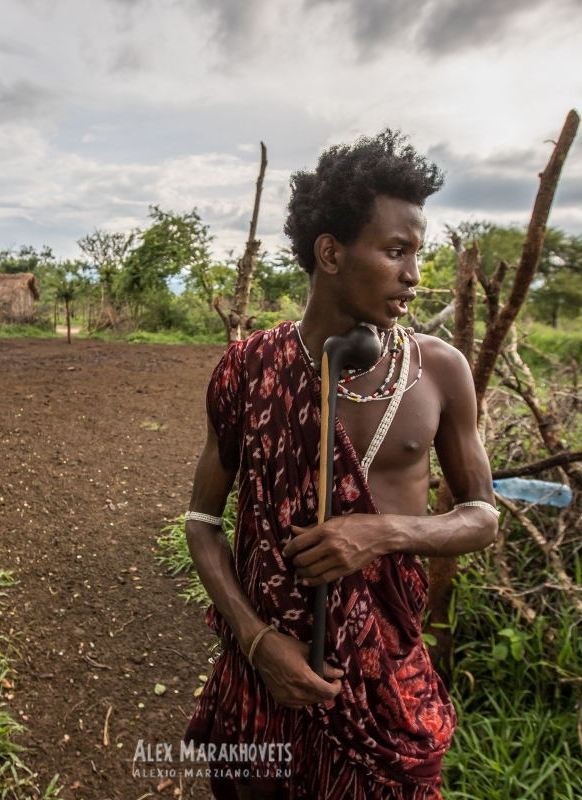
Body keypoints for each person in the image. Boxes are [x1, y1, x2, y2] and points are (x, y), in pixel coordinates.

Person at [183, 130, 499, 800]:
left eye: (417, 252)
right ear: (331, 252)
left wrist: (383, 533)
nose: (414, 274)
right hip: (265, 678)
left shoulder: (440, 370)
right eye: (395, 251)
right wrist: (257, 640)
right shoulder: (248, 370)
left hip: (384, 683)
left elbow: (481, 517)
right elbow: (202, 521)